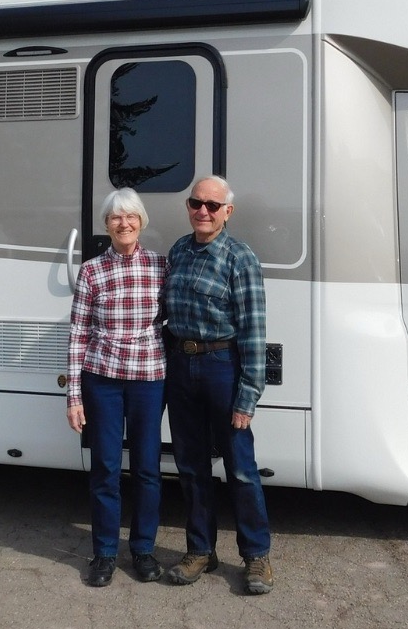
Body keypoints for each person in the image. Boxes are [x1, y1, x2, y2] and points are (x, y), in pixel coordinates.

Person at [163, 175, 273, 595]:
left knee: (241, 469)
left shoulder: (240, 258)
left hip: (222, 367)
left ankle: (257, 557)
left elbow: (254, 332)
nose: (202, 212)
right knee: (191, 468)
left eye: (212, 205)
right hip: (182, 366)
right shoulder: (179, 250)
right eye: (196, 203)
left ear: (228, 212)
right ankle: (199, 551)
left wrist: (248, 394)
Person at [66, 188, 166, 587]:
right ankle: (105, 553)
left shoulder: (161, 266)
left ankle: (142, 549)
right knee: (106, 469)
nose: (123, 224)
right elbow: (78, 334)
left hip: (148, 380)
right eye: (115, 218)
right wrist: (74, 395)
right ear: (106, 225)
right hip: (102, 380)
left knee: (147, 468)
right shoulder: (91, 271)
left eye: (130, 217)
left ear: (141, 220)